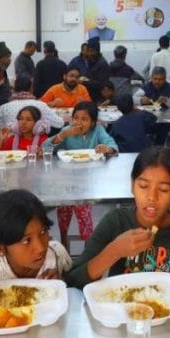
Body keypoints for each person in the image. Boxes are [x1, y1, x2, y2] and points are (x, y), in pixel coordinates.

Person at [65, 147, 170, 288]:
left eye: (163, 190)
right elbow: (74, 280)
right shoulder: (115, 222)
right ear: (132, 186)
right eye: (143, 186)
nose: (152, 197)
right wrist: (115, 251)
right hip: (120, 305)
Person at [43, 102, 118, 252]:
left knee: (84, 214)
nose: (78, 122)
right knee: (63, 214)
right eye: (75, 118)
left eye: (84, 119)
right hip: (66, 180)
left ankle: (87, 249)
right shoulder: (67, 131)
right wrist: (62, 135)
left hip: (87, 183)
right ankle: (64, 244)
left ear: (93, 122)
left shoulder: (98, 130)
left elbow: (113, 146)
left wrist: (107, 148)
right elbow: (45, 149)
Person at [83, 37, 111, 102]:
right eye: (88, 51)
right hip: (90, 96)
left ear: (97, 51)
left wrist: (85, 82)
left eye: (92, 51)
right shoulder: (91, 61)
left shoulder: (102, 64)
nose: (89, 53)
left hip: (98, 99)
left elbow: (102, 84)